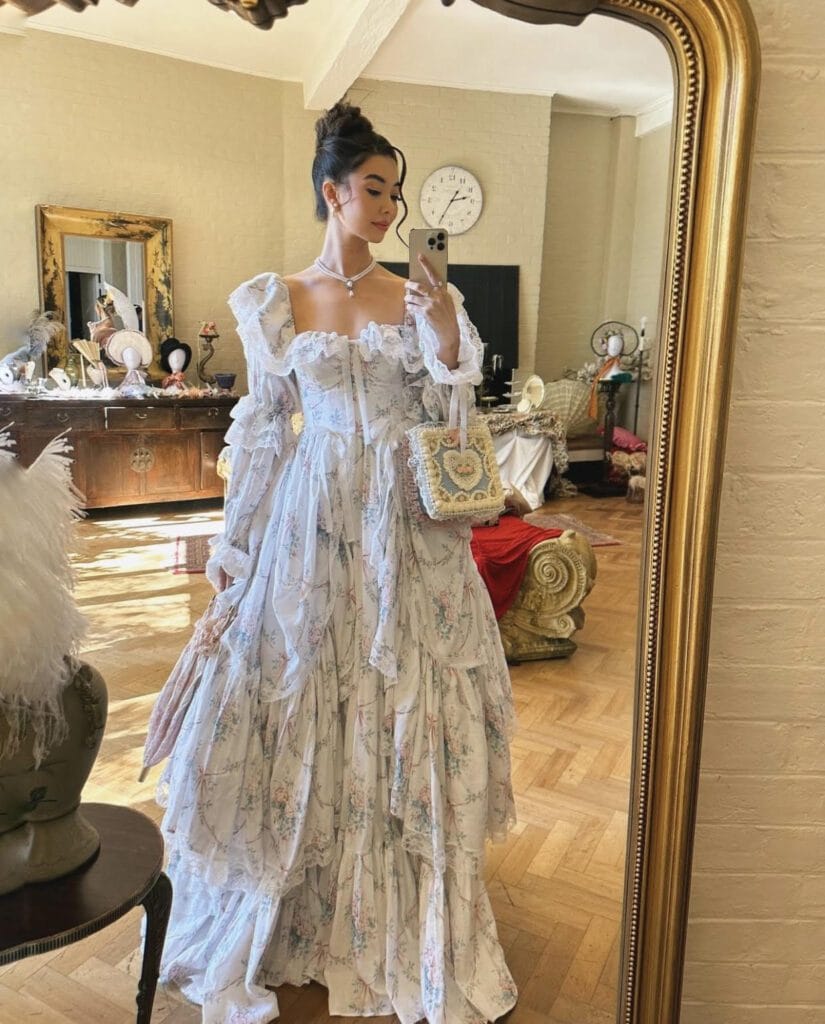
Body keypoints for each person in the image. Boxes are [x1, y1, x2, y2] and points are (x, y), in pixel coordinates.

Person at [143, 101, 518, 1024]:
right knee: (299, 682)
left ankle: (397, 907)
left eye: (395, 193)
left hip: (405, 527)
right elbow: (266, 430)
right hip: (311, 516)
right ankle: (298, 896)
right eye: (374, 188)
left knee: (403, 690)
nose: (388, 207)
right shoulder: (275, 298)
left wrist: (443, 337)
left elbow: (454, 425)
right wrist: (235, 545)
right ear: (332, 190)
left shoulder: (421, 296)